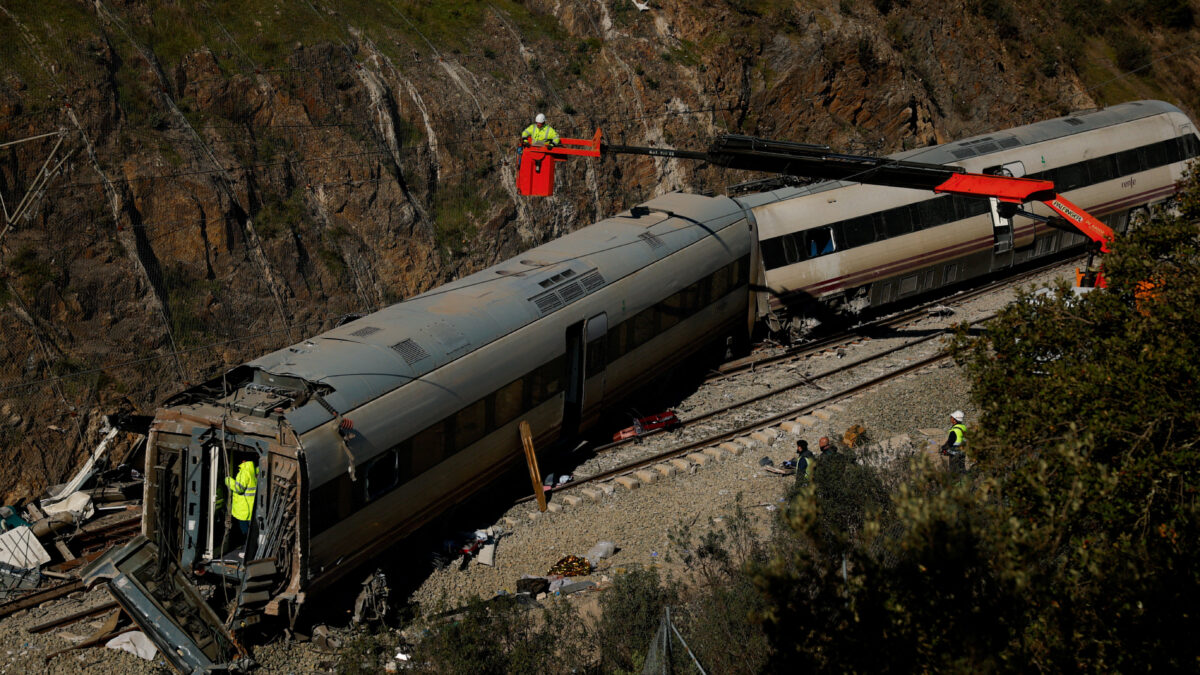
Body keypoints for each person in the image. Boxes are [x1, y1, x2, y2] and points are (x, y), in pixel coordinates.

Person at [225, 459, 258, 536]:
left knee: (245, 531)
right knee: (252, 531)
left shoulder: (244, 472)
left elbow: (239, 489)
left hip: (243, 509)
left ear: (243, 461)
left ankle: (245, 544)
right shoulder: (253, 470)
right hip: (250, 507)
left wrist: (228, 480)